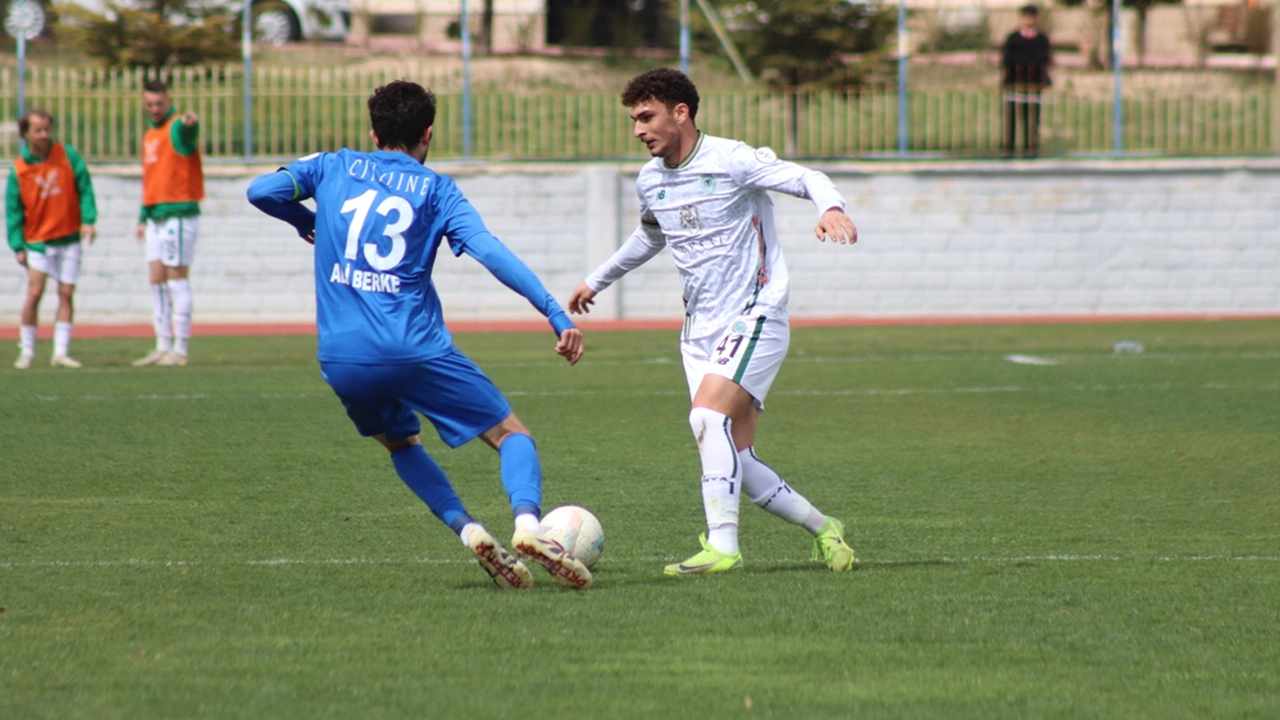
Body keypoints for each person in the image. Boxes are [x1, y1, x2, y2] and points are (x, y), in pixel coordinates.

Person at [247, 80, 592, 591]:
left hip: (341, 356)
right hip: (413, 346)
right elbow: (489, 251)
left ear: (373, 132)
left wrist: (305, 220)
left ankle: (469, 529)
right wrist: (555, 314)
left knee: (400, 443)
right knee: (511, 435)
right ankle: (527, 526)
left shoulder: (332, 166)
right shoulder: (437, 190)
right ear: (427, 134)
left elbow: (260, 191)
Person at [567, 68, 858, 576]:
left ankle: (723, 546)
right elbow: (651, 236)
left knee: (705, 418)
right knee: (737, 458)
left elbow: (805, 177)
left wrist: (830, 207)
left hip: (755, 315)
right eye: (634, 120)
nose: (638, 130)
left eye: (646, 116)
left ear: (681, 113)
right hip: (698, 332)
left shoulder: (731, 159)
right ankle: (825, 529)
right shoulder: (651, 179)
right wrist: (598, 279)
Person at [7, 109, 98, 369]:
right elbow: (13, 211)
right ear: (26, 134)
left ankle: (61, 352)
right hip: (38, 241)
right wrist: (17, 245)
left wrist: (88, 220)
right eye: (38, 130)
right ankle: (27, 350)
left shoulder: (66, 155)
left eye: (47, 129)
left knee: (66, 292)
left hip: (68, 237)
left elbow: (85, 187)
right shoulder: (20, 169)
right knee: (35, 292)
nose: (44, 135)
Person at [132, 79, 203, 367]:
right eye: (150, 104)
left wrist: (190, 124)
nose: (155, 108)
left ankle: (180, 349)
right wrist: (142, 218)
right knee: (157, 281)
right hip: (155, 217)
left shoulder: (175, 127)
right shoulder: (150, 134)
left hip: (179, 214)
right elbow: (150, 180)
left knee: (176, 279)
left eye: (159, 103)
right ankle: (162, 346)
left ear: (168, 100)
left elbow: (188, 133)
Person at [1001, 5, 1052, 158]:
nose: (1029, 20)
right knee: (1011, 115)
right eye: (1026, 17)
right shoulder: (1013, 38)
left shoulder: (1041, 39)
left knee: (1032, 117)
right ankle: (1009, 148)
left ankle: (1030, 147)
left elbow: (1044, 58)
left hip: (1034, 83)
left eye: (1032, 17)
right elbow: (1007, 59)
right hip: (1015, 82)